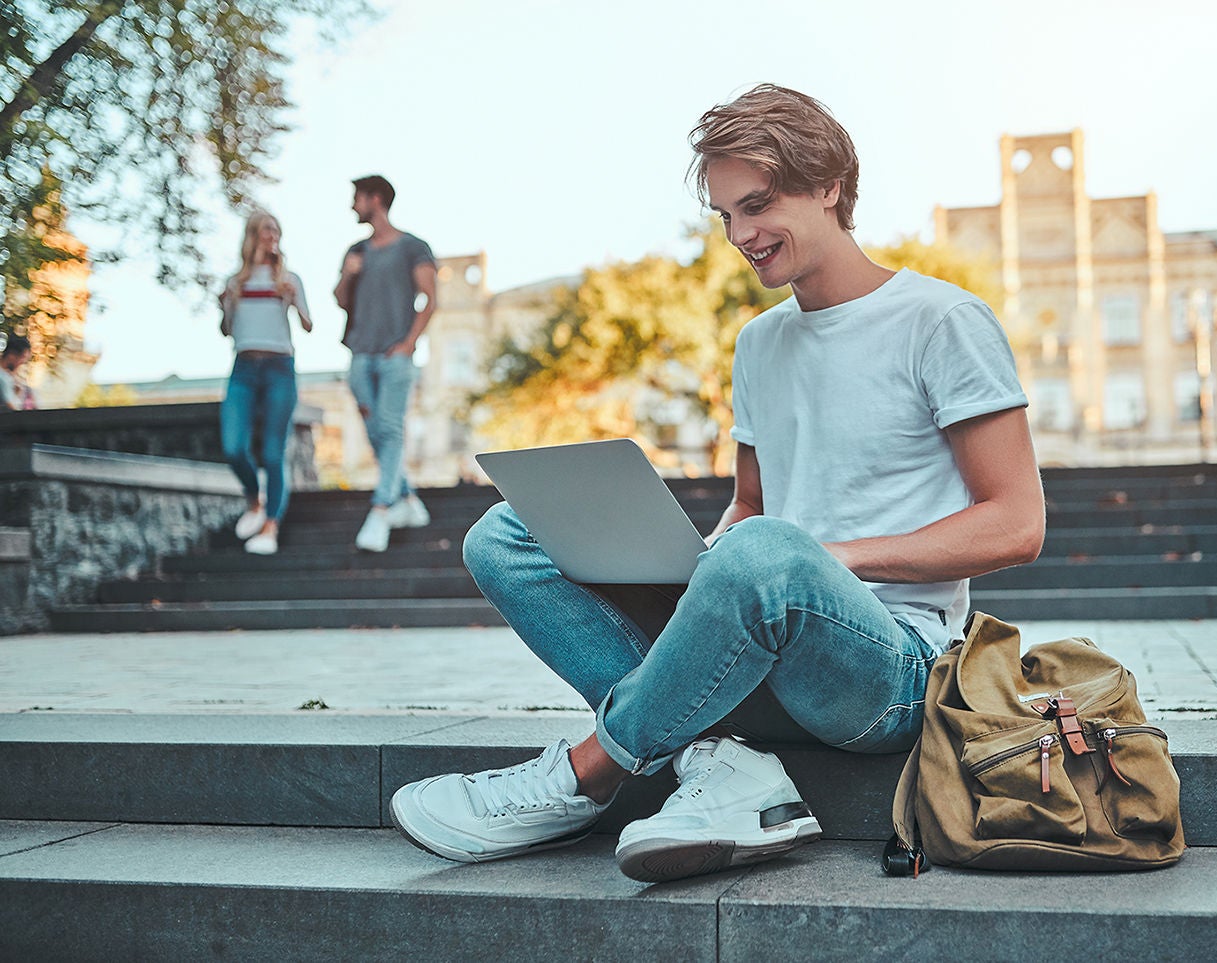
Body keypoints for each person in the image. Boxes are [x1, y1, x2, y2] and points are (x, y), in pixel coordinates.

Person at [390, 85, 1046, 884]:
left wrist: (815, 559)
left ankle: (582, 773)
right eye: (726, 215)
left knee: (769, 554)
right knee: (505, 532)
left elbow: (1017, 523)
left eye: (758, 205)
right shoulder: (759, 344)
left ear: (831, 184)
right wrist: (700, 558)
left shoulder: (941, 321)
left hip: (895, 671)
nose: (740, 235)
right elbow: (751, 509)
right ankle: (726, 765)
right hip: (765, 632)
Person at [333, 174, 436, 552]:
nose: (352, 206)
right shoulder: (357, 250)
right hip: (360, 354)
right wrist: (348, 274)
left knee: (390, 429)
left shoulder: (413, 247)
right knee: (377, 432)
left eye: (357, 198)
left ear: (376, 199)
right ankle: (408, 501)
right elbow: (342, 301)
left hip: (395, 356)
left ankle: (381, 510)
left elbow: (430, 298)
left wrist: (409, 343)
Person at [219, 211, 313, 556]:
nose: (273, 236)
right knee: (233, 447)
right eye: (267, 230)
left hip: (279, 368)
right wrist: (225, 303)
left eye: (277, 230)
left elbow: (307, 325)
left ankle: (270, 526)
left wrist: (292, 299)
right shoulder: (236, 281)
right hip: (243, 367)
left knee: (274, 453)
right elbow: (227, 330)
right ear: (254, 235)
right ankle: (253, 500)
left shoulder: (288, 279)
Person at [0, 333, 31, 411]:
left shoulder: (7, 377)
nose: (23, 362)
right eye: (22, 358)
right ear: (11, 355)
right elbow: (12, 409)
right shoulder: (2, 378)